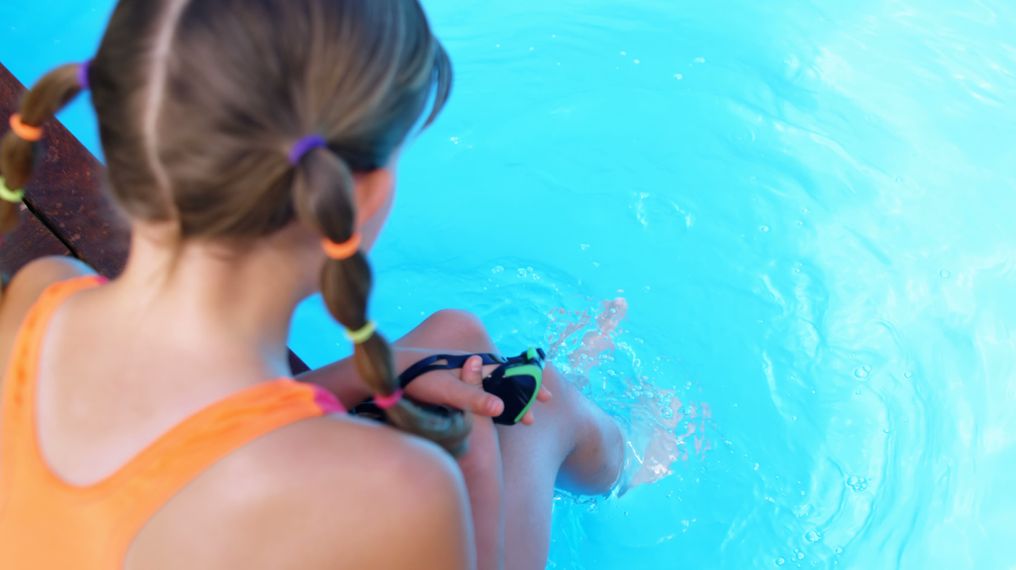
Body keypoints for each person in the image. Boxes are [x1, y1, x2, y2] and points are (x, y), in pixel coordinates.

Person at [0, 0, 623, 568]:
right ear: (361, 196)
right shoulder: (399, 489)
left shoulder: (44, 298)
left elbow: (186, 445)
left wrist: (385, 370)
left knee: (455, 338)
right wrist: (478, 462)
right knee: (545, 411)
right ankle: (626, 455)